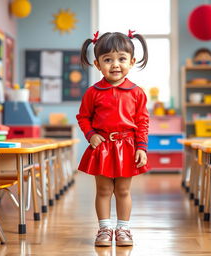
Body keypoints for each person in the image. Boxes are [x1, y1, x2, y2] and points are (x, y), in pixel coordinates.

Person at [76, 30, 149, 247]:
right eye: (108, 60)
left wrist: (141, 148)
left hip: (128, 146)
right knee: (104, 190)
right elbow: (83, 117)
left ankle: (124, 229)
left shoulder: (137, 92)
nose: (115, 64)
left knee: (124, 190)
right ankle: (104, 229)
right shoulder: (92, 92)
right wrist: (91, 135)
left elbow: (143, 122)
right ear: (98, 64)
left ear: (132, 61)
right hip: (103, 148)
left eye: (121, 59)